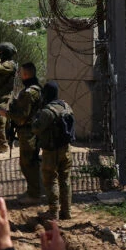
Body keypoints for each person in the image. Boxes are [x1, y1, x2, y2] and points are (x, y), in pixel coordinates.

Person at [31, 80, 75, 220]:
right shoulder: (66, 106)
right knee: (65, 179)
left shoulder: (47, 112)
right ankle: (66, 211)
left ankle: (53, 212)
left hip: (51, 151)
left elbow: (36, 128)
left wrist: (36, 115)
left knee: (51, 180)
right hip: (66, 149)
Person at [6, 61, 43, 203]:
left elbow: (22, 117)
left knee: (28, 163)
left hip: (28, 132)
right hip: (33, 130)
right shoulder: (37, 89)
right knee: (30, 161)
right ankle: (32, 191)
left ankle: (34, 194)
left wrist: (7, 114)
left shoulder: (29, 93)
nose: (20, 76)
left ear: (26, 74)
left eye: (21, 73)